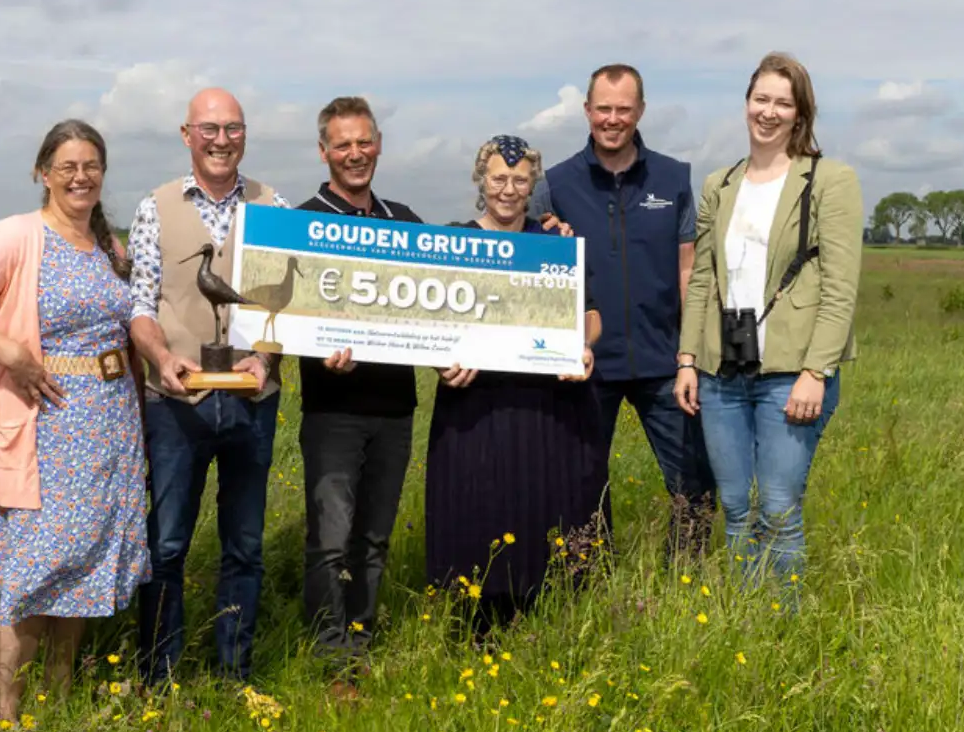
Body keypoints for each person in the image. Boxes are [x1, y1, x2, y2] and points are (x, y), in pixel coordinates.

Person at [0, 120, 149, 726]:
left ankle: (59, 699)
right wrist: (9, 353)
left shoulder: (110, 248)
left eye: (91, 166)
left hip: (109, 431)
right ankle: (10, 720)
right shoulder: (16, 236)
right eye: (67, 166)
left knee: (81, 567)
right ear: (42, 173)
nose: (80, 177)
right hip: (40, 432)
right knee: (31, 575)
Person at [676, 53, 863, 605]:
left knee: (778, 507)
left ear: (800, 112)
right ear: (746, 104)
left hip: (791, 371)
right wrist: (687, 360)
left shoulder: (830, 180)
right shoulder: (721, 183)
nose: (769, 112)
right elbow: (703, 279)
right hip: (721, 372)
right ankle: (746, 616)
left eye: (783, 102)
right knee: (736, 507)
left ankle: (785, 621)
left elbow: (841, 287)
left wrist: (816, 372)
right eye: (761, 99)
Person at [127, 88, 288, 685]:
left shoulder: (275, 205)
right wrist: (161, 357)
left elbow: (286, 306)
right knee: (167, 545)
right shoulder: (155, 207)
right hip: (175, 406)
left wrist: (264, 359)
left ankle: (233, 673)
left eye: (233, 129)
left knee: (244, 546)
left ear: (245, 134)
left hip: (252, 403)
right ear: (187, 134)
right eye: (210, 129)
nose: (222, 140)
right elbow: (140, 306)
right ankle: (159, 676)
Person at [424, 136, 606, 634]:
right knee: (479, 507)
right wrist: (439, 362)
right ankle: (475, 623)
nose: (508, 189)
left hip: (548, 403)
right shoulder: (455, 243)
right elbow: (429, 323)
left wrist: (582, 345)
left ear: (533, 185)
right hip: (476, 405)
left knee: (545, 505)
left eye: (520, 180)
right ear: (481, 180)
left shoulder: (555, 243)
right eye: (499, 178)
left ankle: (550, 621)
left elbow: (591, 314)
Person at [540, 64, 718, 561]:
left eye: (623, 109)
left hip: (664, 361)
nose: (612, 119)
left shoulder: (674, 178)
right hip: (587, 364)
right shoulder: (555, 184)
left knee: (695, 482)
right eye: (603, 109)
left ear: (640, 111)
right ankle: (589, 578)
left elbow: (688, 270)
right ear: (587, 111)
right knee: (581, 483)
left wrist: (690, 354)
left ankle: (683, 579)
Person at [295, 97, 424, 675]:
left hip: (395, 408)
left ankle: (361, 639)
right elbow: (283, 316)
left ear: (379, 147)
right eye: (343, 144)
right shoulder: (303, 223)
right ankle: (329, 655)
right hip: (333, 411)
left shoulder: (405, 222)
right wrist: (315, 351)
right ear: (324, 152)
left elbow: (438, 308)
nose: (355, 154)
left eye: (364, 142)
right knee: (330, 539)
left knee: (373, 538)